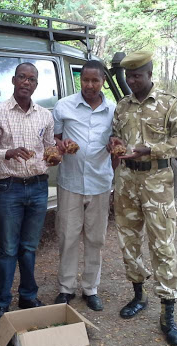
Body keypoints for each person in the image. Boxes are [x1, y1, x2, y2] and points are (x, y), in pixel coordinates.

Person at [109, 51, 177, 346]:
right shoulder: (122, 106)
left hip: (157, 182)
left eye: (137, 76)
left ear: (149, 74)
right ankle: (138, 296)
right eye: (128, 77)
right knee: (129, 241)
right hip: (127, 181)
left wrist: (150, 150)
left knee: (162, 245)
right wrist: (116, 143)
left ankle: (168, 313)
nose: (132, 81)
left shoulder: (170, 103)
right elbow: (116, 136)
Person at [0, 62, 60, 326]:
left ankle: (28, 296)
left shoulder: (45, 116)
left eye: (32, 79)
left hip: (38, 186)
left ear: (37, 84)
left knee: (29, 248)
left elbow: (49, 149)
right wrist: (9, 152)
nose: (27, 82)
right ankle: (2, 303)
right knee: (8, 250)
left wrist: (55, 157)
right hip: (10, 187)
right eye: (22, 77)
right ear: (13, 80)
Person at [52, 60, 115, 311]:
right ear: (81, 80)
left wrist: (115, 150)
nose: (89, 85)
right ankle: (66, 288)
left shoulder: (113, 110)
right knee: (67, 236)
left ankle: (91, 288)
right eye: (85, 80)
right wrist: (60, 145)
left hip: (100, 182)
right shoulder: (64, 106)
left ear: (103, 82)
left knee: (96, 238)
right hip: (70, 182)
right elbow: (54, 137)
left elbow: (117, 140)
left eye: (95, 80)